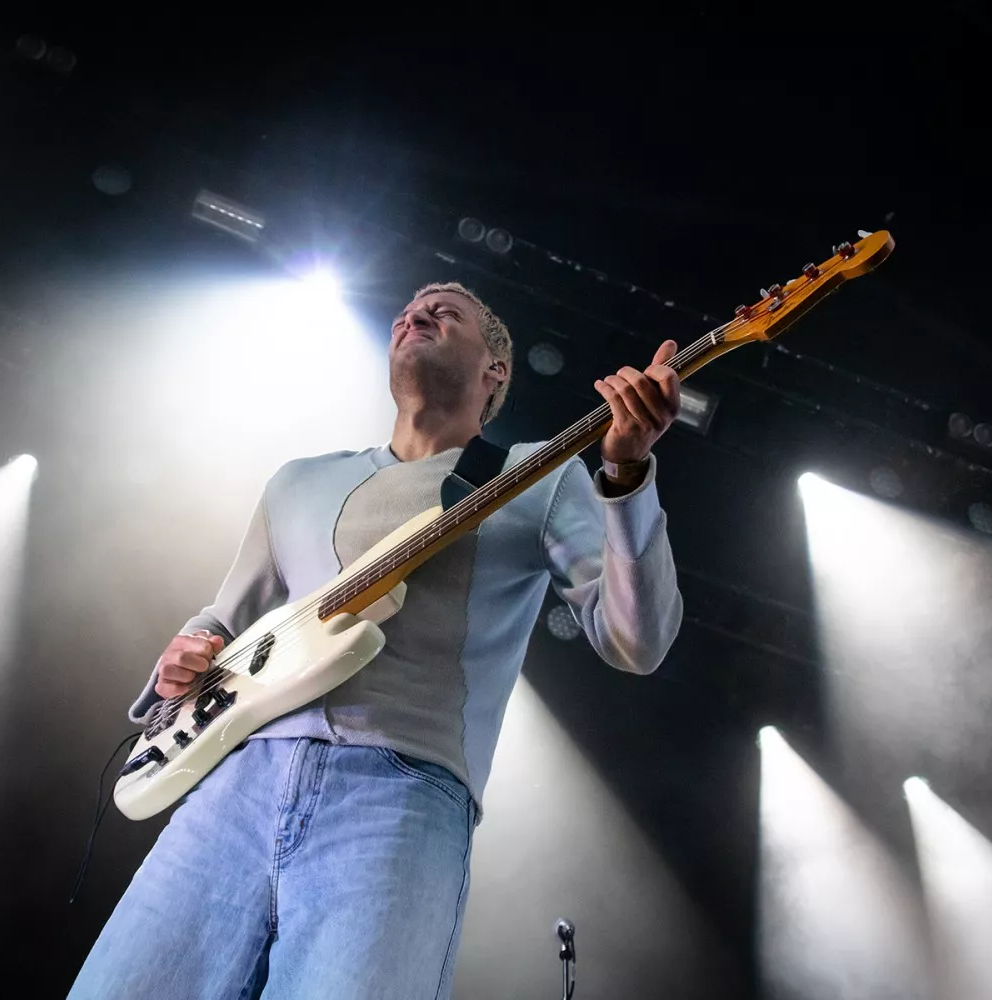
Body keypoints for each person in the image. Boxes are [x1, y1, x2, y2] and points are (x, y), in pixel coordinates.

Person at [68, 281, 684, 999]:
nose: (415, 314)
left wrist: (627, 476)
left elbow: (636, 641)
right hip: (233, 788)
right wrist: (184, 655)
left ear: (495, 370)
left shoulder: (537, 475)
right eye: (407, 311)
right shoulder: (299, 482)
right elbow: (224, 619)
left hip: (398, 796)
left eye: (445, 312)